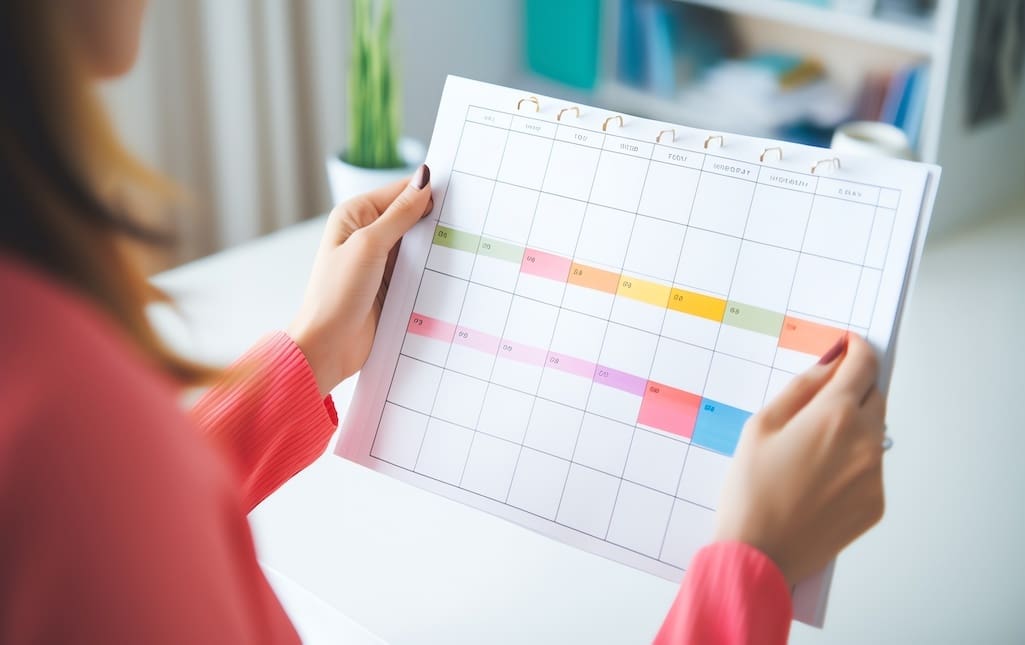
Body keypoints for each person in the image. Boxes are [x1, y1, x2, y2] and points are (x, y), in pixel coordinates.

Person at [0, 2, 886, 643]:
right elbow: (92, 509)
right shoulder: (69, 420)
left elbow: (121, 548)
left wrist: (306, 358)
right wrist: (750, 566)